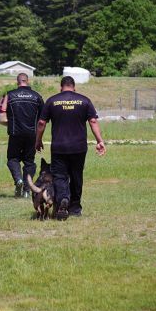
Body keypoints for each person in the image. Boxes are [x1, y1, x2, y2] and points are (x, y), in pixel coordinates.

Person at [35, 76, 106, 220]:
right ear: (74, 87)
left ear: (61, 87)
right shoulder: (84, 100)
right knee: (76, 176)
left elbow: (42, 122)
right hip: (79, 147)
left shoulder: (52, 101)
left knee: (60, 177)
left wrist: (38, 140)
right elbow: (93, 120)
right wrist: (100, 141)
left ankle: (62, 201)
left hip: (59, 147)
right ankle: (75, 208)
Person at [1, 73, 44, 198]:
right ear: (28, 81)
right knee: (29, 162)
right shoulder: (37, 96)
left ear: (17, 82)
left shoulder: (10, 95)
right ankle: (26, 189)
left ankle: (18, 180)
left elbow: (2, 111)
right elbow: (43, 118)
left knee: (12, 159)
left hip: (15, 133)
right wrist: (39, 137)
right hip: (32, 134)